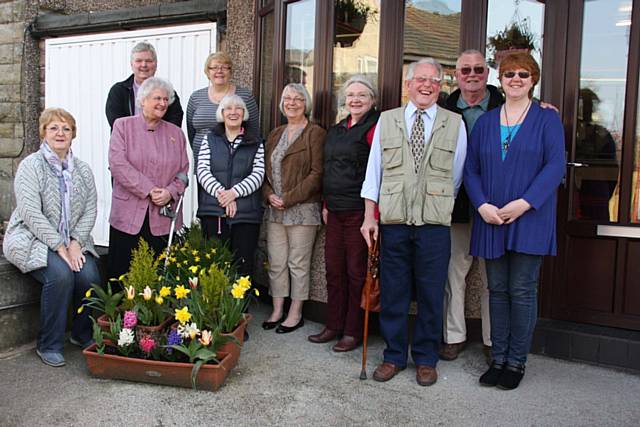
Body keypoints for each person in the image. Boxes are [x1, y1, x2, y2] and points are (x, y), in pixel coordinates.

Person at [361, 58, 467, 386]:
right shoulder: (387, 120)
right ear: (408, 84)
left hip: (434, 224)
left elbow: (456, 176)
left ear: (440, 86)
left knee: (432, 292)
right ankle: (394, 355)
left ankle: (425, 357)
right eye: (420, 79)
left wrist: (434, 203)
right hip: (393, 220)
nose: (426, 85)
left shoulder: (455, 123)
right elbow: (373, 172)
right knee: (394, 290)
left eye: (434, 81)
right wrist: (370, 216)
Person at [464, 52, 565, 390]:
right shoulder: (487, 122)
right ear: (501, 80)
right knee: (497, 289)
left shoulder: (546, 119)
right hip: (491, 218)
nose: (516, 79)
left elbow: (555, 167)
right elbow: (472, 169)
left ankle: (516, 361)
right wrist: (481, 205)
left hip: (529, 218)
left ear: (533, 79)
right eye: (509, 74)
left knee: (521, 290)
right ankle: (499, 357)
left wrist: (524, 203)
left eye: (523, 73)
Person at [3, 108, 100, 367]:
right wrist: (59, 246)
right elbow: (30, 212)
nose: (60, 133)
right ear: (44, 132)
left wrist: (76, 242)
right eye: (54, 128)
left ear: (73, 135)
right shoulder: (31, 166)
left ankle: (82, 335)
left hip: (73, 240)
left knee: (90, 275)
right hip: (32, 237)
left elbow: (91, 207)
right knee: (60, 274)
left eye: (66, 128)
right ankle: (49, 343)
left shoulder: (82, 170)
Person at [307, 76, 379, 352]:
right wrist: (325, 204)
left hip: (360, 212)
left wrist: (374, 214)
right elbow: (328, 170)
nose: (356, 100)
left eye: (362, 95)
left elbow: (379, 172)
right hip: (334, 210)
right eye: (350, 95)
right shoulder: (337, 130)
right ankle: (333, 324)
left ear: (372, 100)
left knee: (356, 273)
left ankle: (352, 330)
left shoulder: (376, 127)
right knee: (334, 271)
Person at [438, 49, 500, 363]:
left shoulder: (506, 107)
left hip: (495, 205)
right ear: (456, 74)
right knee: (454, 272)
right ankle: (454, 335)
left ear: (487, 74)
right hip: (457, 204)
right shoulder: (444, 109)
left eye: (478, 69)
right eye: (465, 70)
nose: (472, 74)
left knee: (493, 276)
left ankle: (493, 340)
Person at [108, 77, 189, 281]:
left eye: (165, 99)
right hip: (127, 216)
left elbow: (183, 172)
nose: (162, 103)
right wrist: (150, 190)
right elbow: (118, 164)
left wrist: (170, 192)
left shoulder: (176, 134)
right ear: (143, 100)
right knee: (122, 275)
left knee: (158, 278)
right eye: (157, 98)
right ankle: (122, 314)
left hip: (162, 215)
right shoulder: (122, 126)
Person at [262, 83, 326, 334]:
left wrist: (287, 198)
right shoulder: (275, 133)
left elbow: (316, 174)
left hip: (302, 210)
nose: (292, 103)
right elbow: (263, 171)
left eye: (298, 99)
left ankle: (295, 313)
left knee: (297, 263)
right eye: (287, 98)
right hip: (274, 209)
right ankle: (277, 309)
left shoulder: (315, 133)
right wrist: (268, 195)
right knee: (276, 262)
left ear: (305, 104)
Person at [196, 94, 264, 278]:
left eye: (238, 108)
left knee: (243, 264)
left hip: (245, 215)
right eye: (228, 108)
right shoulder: (209, 139)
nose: (233, 112)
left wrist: (234, 193)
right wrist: (223, 197)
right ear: (222, 113)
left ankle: (240, 307)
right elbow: (202, 170)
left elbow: (258, 174)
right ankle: (215, 306)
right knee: (215, 265)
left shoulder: (256, 141)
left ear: (244, 113)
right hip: (214, 211)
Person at [187, 52, 260, 164]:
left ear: (230, 72)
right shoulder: (196, 97)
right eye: (214, 67)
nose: (219, 71)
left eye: (224, 67)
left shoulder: (245, 96)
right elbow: (191, 132)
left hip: (236, 164)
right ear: (207, 72)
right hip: (203, 165)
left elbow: (254, 131)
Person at [106, 42, 183, 131]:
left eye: (148, 61)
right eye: (139, 61)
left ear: (156, 64)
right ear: (132, 64)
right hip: (127, 143)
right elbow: (117, 123)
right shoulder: (118, 91)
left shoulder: (167, 92)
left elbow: (175, 123)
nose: (144, 65)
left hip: (159, 143)